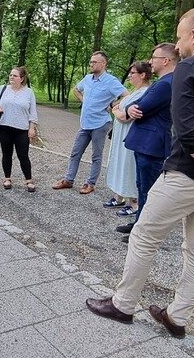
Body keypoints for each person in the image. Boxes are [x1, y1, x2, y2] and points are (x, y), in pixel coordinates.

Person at [86, 6, 194, 339]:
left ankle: (123, 305)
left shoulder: (188, 68)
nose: (177, 45)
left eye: (180, 36)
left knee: (144, 236)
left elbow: (188, 133)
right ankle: (177, 318)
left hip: (187, 174)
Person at [115, 43, 179, 242]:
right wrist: (132, 108)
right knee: (142, 186)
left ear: (166, 61)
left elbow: (142, 107)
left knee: (149, 189)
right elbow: (135, 107)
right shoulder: (165, 81)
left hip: (152, 143)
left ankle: (144, 232)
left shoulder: (166, 83)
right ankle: (138, 224)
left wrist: (132, 108)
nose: (151, 62)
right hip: (145, 142)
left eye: (154, 58)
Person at [53, 52, 128, 194]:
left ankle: (90, 183)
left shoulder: (111, 81)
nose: (91, 64)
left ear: (103, 63)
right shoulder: (87, 79)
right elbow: (76, 89)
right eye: (90, 62)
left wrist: (112, 105)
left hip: (100, 123)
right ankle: (68, 180)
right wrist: (84, 101)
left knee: (96, 155)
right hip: (85, 123)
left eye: (94, 62)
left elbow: (126, 95)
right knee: (75, 153)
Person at [103, 61, 152, 216]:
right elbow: (118, 108)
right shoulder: (134, 92)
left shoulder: (145, 93)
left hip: (131, 136)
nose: (129, 76)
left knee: (129, 166)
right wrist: (117, 110)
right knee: (119, 164)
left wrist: (116, 111)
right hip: (120, 136)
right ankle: (119, 197)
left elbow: (124, 116)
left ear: (142, 75)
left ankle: (134, 203)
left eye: (133, 73)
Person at [0, 67, 38, 192]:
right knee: (6, 154)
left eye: (15, 76)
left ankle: (29, 180)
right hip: (5, 128)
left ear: (21, 79)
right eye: (10, 75)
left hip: (22, 129)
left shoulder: (28, 93)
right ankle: (7, 178)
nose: (11, 77)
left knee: (23, 155)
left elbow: (33, 112)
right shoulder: (3, 89)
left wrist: (31, 128)